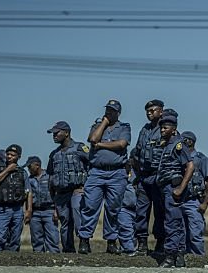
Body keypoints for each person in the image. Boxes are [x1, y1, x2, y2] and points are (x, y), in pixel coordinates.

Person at [78, 98, 130, 255]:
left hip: (117, 172)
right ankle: (84, 240)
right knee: (90, 205)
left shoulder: (124, 127)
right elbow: (92, 139)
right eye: (107, 110)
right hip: (96, 172)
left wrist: (100, 145)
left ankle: (112, 241)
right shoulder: (97, 126)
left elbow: (121, 144)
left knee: (113, 208)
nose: (108, 112)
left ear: (118, 113)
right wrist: (104, 122)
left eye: (112, 111)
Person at [155, 112, 194, 268]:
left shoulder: (179, 145)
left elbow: (190, 166)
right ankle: (179, 256)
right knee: (176, 222)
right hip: (166, 187)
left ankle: (170, 255)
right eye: (161, 128)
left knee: (172, 222)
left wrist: (180, 188)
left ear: (173, 128)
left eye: (165, 127)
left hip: (173, 187)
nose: (162, 130)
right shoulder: (167, 145)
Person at [46, 121, 89, 253]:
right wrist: (54, 196)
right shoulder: (54, 154)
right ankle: (68, 249)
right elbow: (51, 176)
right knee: (64, 223)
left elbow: (93, 164)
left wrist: (87, 187)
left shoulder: (80, 148)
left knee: (78, 218)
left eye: (57, 132)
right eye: (53, 133)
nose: (54, 135)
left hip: (77, 190)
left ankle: (84, 244)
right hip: (61, 194)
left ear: (66, 133)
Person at [132, 99, 165, 256]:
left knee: (160, 212)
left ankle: (160, 243)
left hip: (158, 178)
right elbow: (137, 153)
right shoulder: (144, 130)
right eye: (147, 111)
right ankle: (142, 244)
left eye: (153, 110)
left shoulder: (167, 130)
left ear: (161, 112)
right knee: (141, 212)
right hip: (144, 178)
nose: (149, 113)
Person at [0, 144, 27, 252]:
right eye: (8, 154)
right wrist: (8, 170)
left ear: (19, 156)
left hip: (18, 209)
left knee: (15, 238)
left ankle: (12, 262)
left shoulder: (22, 172)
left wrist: (29, 210)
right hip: (2, 209)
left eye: (13, 155)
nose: (9, 156)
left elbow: (28, 191)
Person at [181, 131, 208, 256]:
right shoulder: (179, 157)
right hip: (180, 200)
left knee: (195, 233)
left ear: (190, 141)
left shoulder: (201, 159)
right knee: (181, 233)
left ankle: (198, 259)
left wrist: (205, 203)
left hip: (194, 200)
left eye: (184, 140)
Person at [25, 156, 61, 253]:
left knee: (52, 237)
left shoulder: (50, 176)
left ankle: (54, 259)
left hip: (49, 211)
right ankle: (39, 261)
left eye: (30, 167)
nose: (28, 169)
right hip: (35, 213)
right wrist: (28, 212)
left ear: (37, 165)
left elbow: (56, 194)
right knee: (36, 239)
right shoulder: (29, 180)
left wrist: (56, 211)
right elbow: (27, 197)